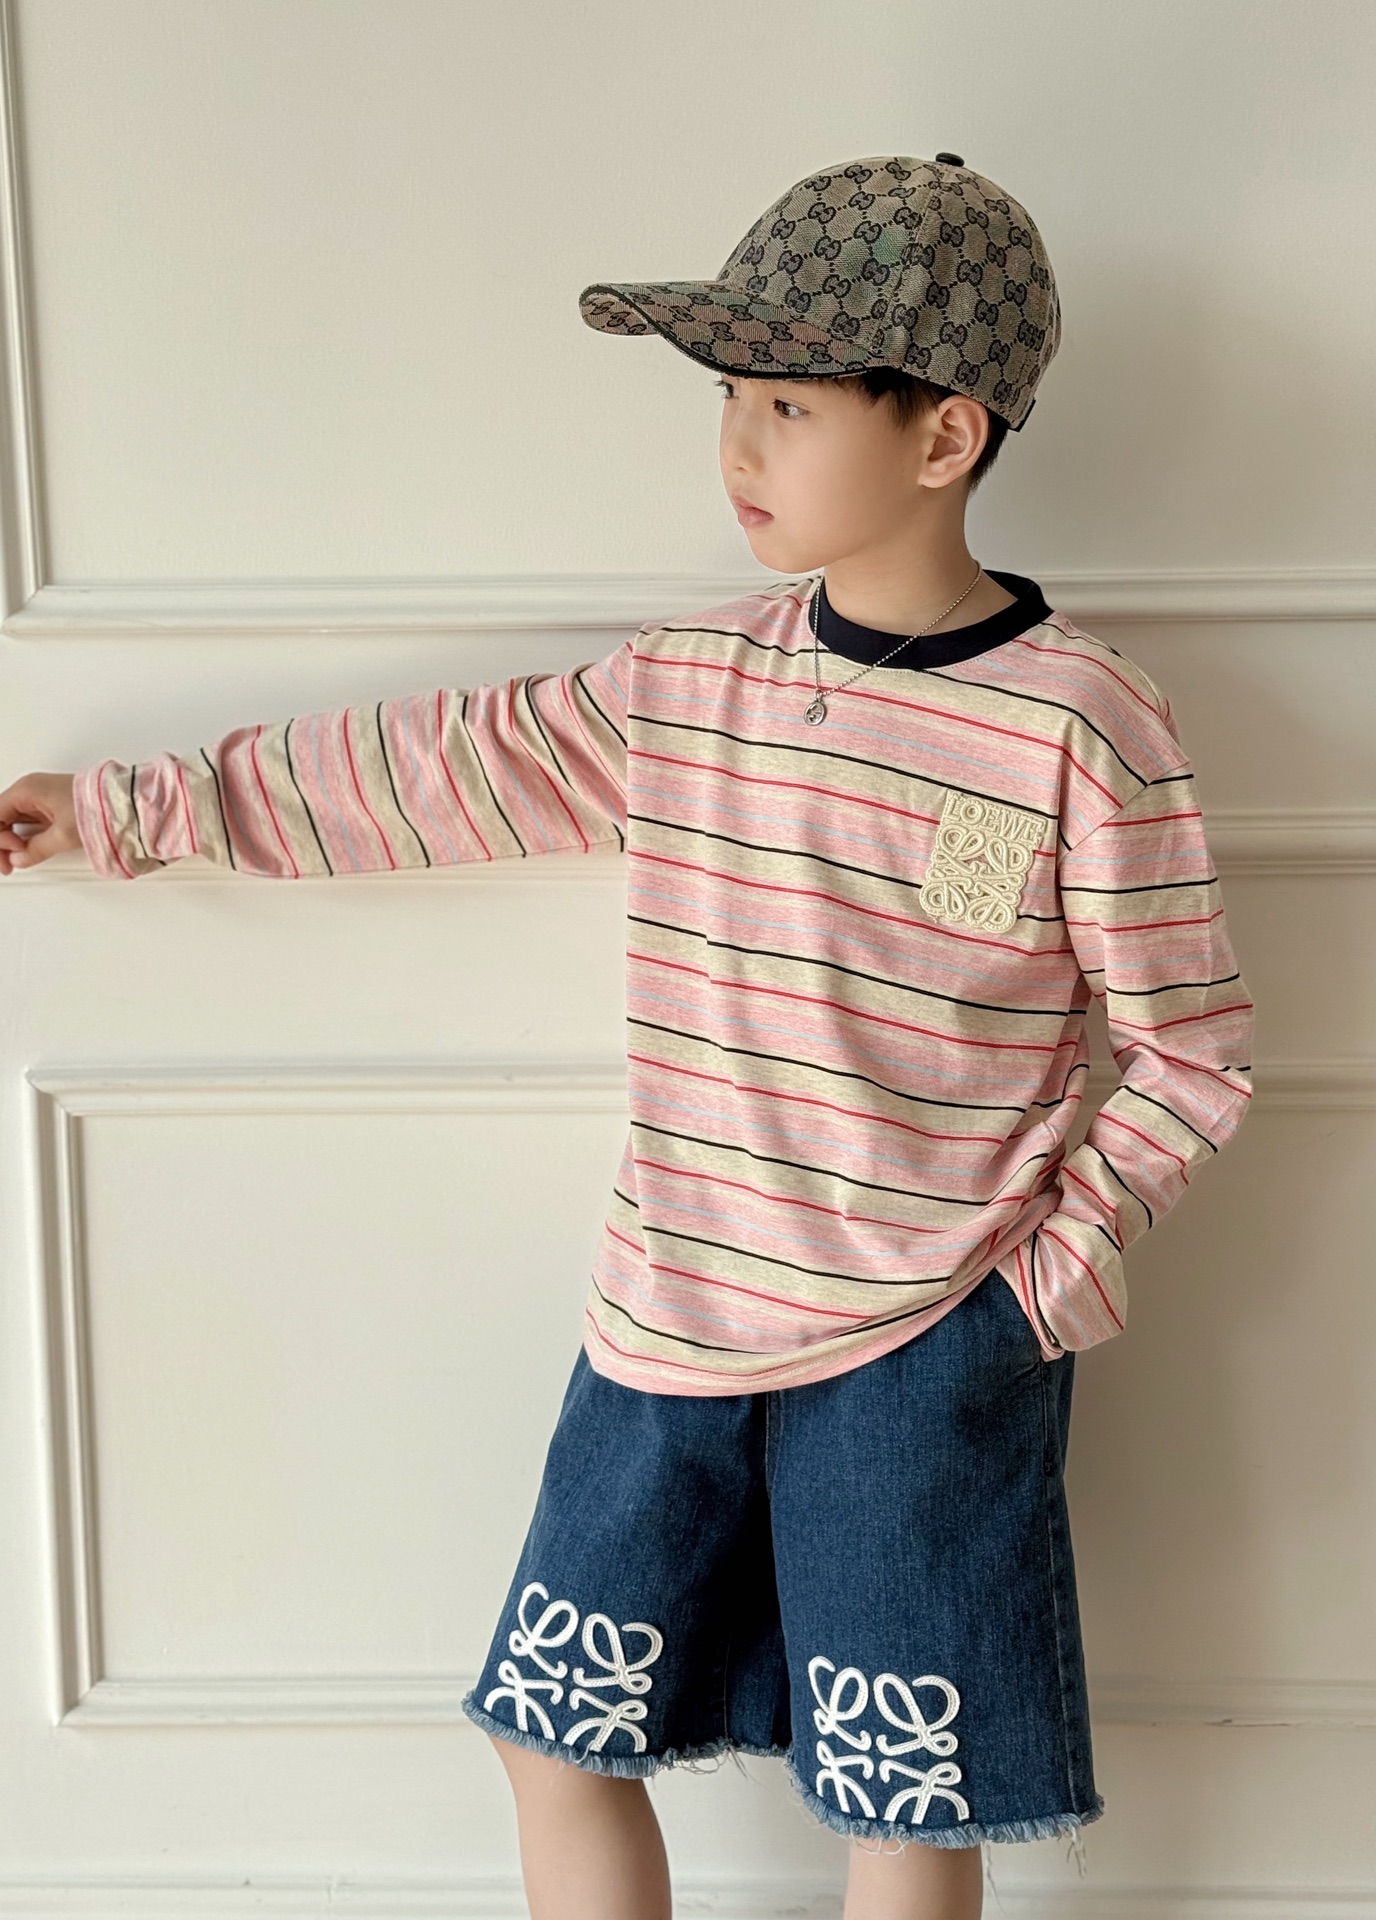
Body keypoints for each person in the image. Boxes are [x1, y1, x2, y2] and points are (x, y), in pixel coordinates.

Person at [0, 154, 1254, 1920]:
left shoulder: (1082, 728)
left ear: (946, 435)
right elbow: (428, 769)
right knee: (554, 1732)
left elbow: (1192, 1054)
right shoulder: (687, 686)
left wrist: (1038, 1291)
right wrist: (128, 809)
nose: (737, 446)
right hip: (668, 1318)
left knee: (900, 1788)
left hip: (927, 1341)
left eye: (787, 406)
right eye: (728, 400)